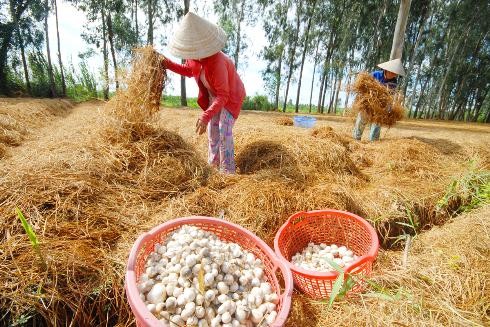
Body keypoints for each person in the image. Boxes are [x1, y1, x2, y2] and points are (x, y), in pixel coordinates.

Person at [162, 12, 246, 174]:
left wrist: (205, 115)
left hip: (231, 96)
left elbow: (224, 95)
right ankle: (213, 166)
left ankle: (228, 171)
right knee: (212, 131)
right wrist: (167, 64)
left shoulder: (218, 62)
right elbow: (189, 70)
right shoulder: (193, 57)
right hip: (216, 96)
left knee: (223, 129)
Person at [352, 58, 405, 141]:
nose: (395, 75)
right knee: (362, 119)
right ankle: (356, 139)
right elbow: (364, 86)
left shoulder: (393, 82)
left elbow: (389, 96)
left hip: (380, 105)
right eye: (394, 73)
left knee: (377, 123)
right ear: (388, 70)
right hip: (368, 103)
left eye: (396, 74)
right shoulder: (375, 74)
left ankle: (374, 141)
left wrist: (388, 107)